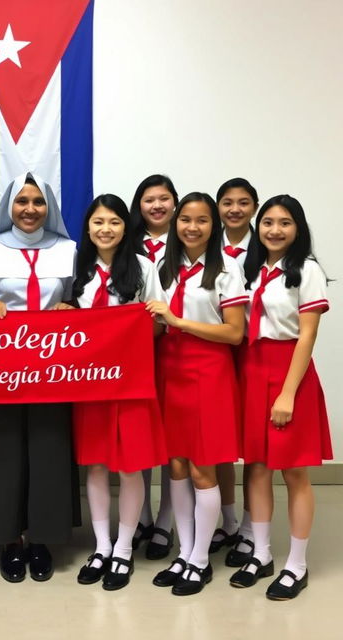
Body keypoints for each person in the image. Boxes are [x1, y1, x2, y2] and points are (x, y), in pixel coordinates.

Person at [0, 172, 79, 583]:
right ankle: (8, 540)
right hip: (2, 370)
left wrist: (68, 310)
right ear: (8, 207)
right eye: (22, 201)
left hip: (52, 369)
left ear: (49, 206)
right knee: (5, 451)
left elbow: (71, 301)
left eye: (38, 202)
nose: (30, 209)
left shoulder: (67, 249)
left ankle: (42, 540)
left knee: (49, 449)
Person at [229, 195, 331, 600]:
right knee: (255, 466)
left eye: (285, 223)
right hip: (252, 370)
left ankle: (297, 564)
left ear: (298, 228)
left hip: (290, 370)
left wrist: (287, 393)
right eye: (268, 222)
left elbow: (307, 334)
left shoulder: (306, 270)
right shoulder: (249, 269)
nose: (274, 230)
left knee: (293, 471)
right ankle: (262, 553)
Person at [146, 192, 247, 595]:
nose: (192, 227)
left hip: (209, 371)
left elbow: (234, 333)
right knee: (176, 467)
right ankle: (184, 553)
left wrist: (177, 321)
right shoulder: (162, 267)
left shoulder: (227, 268)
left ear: (214, 225)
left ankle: (201, 560)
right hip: (169, 370)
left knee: (204, 469)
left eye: (202, 220)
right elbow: (155, 325)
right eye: (185, 219)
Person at [71, 194, 168, 590]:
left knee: (130, 465)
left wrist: (132, 329)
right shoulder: (77, 268)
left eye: (113, 221)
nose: (105, 229)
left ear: (125, 227)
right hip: (88, 381)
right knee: (95, 464)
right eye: (98, 222)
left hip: (130, 381)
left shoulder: (144, 267)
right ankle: (102, 545)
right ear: (88, 227)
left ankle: (124, 549)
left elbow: (160, 324)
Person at [128, 174, 179, 559]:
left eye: (164, 198)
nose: (157, 206)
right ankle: (141, 516)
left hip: (179, 349)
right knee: (141, 434)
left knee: (174, 439)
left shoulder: (189, 241)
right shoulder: (129, 245)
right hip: (137, 352)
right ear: (139, 205)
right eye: (149, 199)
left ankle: (166, 521)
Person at [213, 178, 260, 565]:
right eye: (227, 202)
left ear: (254, 207)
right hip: (218, 350)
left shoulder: (265, 248)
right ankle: (226, 521)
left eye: (243, 203)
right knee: (221, 442)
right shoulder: (209, 249)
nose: (235, 209)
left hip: (253, 351)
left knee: (255, 444)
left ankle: (249, 526)